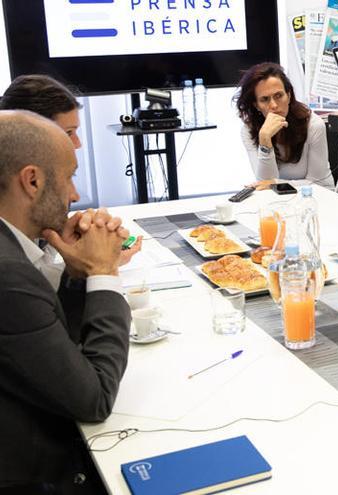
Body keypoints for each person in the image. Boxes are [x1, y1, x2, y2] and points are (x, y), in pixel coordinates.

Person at [0, 110, 132, 493]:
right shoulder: (8, 275)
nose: (75, 195)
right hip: (42, 473)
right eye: (70, 177)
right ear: (32, 180)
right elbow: (94, 398)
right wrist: (103, 272)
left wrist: (78, 274)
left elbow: (46, 335)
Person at [0, 74, 142, 321]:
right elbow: (95, 361)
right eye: (69, 132)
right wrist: (101, 271)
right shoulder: (9, 272)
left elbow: (41, 274)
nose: (77, 143)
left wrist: (82, 259)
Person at [235, 63, 333, 188]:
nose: (274, 105)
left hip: (318, 197)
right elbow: (265, 183)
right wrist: (265, 139)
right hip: (279, 200)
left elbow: (319, 183)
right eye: (265, 99)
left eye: (278, 96)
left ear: (289, 95)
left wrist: (276, 184)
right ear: (256, 105)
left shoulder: (313, 125)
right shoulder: (249, 130)